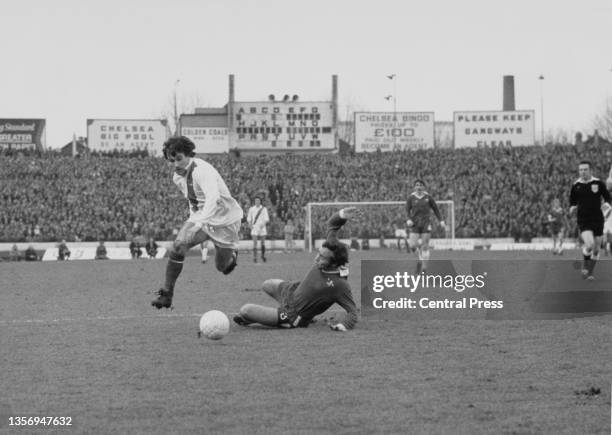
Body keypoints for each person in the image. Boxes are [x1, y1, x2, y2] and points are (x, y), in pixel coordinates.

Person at [152, 136, 243, 309]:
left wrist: (199, 225)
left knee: (223, 267)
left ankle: (232, 253)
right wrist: (194, 221)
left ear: (188, 154)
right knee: (178, 245)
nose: (175, 164)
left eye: (178, 158)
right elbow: (193, 200)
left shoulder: (202, 170)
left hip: (225, 220)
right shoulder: (177, 177)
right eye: (171, 160)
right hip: (201, 215)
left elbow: (213, 198)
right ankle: (167, 294)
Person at [233, 207, 359, 331]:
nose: (316, 258)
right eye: (319, 253)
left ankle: (278, 320)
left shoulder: (339, 284)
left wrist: (342, 326)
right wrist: (342, 214)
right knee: (267, 285)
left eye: (322, 257)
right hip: (292, 292)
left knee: (246, 310)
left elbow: (353, 312)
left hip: (293, 314)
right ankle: (264, 317)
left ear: (334, 263)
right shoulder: (331, 246)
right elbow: (332, 225)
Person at [569, 160, 611, 279]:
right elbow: (572, 201)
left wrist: (606, 205)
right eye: (581, 170)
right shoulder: (576, 185)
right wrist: (572, 208)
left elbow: (608, 198)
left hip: (598, 219)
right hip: (583, 219)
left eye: (585, 169)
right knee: (590, 244)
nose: (582, 172)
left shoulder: (598, 183)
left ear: (590, 170)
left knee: (597, 249)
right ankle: (586, 266)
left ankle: (590, 271)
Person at [406, 179, 445, 273]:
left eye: (420, 185)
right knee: (412, 246)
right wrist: (408, 219)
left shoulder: (428, 197)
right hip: (415, 224)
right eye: (417, 185)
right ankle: (419, 259)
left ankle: (424, 268)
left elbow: (436, 209)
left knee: (425, 246)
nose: (418, 187)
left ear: (424, 187)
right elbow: (407, 210)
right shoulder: (411, 198)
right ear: (414, 187)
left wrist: (441, 220)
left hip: (426, 223)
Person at [247, 196, 269, 262]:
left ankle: (263, 255)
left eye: (258, 200)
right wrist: (250, 224)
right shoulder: (251, 209)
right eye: (256, 200)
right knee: (255, 242)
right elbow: (249, 218)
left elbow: (266, 218)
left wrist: (264, 224)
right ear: (254, 201)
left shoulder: (264, 209)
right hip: (255, 227)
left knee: (262, 243)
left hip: (262, 227)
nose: (257, 202)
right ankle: (255, 257)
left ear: (260, 201)